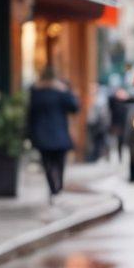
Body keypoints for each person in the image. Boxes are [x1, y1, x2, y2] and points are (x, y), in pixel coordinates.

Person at [28, 65, 80, 203]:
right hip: (59, 133)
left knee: (47, 163)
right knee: (59, 162)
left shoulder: (36, 91)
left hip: (42, 133)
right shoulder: (60, 91)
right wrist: (68, 91)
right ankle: (58, 188)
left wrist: (30, 134)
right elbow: (74, 107)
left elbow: (30, 115)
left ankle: (53, 189)